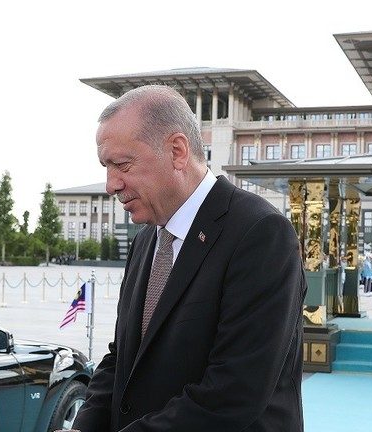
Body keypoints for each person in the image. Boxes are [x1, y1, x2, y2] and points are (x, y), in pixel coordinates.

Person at [73, 85, 305, 431]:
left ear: (177, 151)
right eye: (107, 167)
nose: (111, 185)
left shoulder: (260, 233)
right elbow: (122, 358)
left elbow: (233, 393)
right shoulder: (146, 241)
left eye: (121, 165)